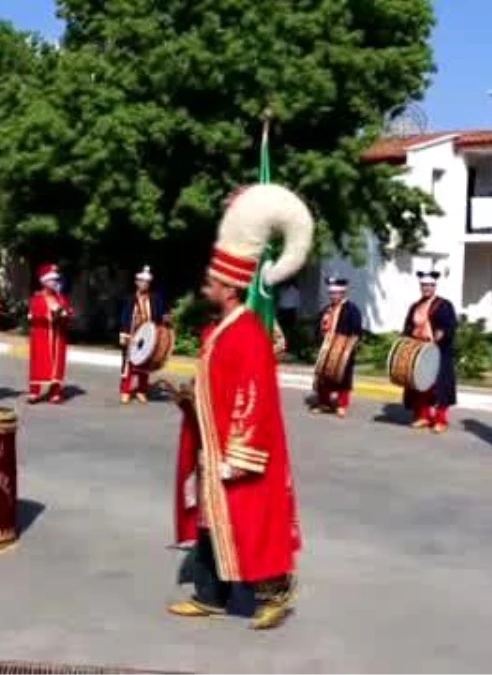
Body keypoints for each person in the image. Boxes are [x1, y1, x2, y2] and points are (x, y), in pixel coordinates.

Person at [169, 183, 310, 630]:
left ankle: (275, 596)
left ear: (229, 288)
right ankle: (210, 595)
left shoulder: (247, 333)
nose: (204, 286)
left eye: (210, 282)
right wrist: (191, 399)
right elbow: (223, 389)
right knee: (214, 523)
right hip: (216, 448)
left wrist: (238, 454)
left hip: (240, 453)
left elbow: (253, 397)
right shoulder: (223, 329)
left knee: (254, 522)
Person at [402, 270, 458, 433]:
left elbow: (450, 325)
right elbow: (408, 326)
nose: (426, 288)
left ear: (434, 287)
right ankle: (423, 416)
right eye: (424, 285)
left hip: (438, 351)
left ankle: (440, 419)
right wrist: (406, 338)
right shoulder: (415, 306)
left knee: (439, 387)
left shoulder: (443, 305)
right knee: (421, 385)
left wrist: (441, 334)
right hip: (419, 350)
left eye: (429, 285)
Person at [310, 276, 362, 417]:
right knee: (323, 377)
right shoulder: (327, 309)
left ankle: (341, 405)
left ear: (343, 293)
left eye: (335, 293)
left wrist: (348, 347)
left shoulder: (352, 309)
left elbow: (356, 330)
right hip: (327, 348)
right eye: (331, 293)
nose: (332, 296)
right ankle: (324, 402)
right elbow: (317, 326)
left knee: (343, 377)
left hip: (343, 349)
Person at [118, 265, 168, 404]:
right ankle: (126, 391)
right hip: (133, 334)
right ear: (136, 282)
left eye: (146, 282)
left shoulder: (155, 298)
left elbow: (159, 315)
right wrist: (124, 334)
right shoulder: (130, 298)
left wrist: (165, 318)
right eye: (141, 281)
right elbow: (124, 317)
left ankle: (141, 391)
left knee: (144, 366)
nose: (144, 284)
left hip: (148, 336)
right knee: (129, 364)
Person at [28, 263, 74, 404]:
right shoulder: (37, 298)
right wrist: (50, 313)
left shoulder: (61, 298)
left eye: (55, 280)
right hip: (42, 335)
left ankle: (56, 392)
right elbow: (33, 315)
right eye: (51, 280)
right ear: (44, 281)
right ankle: (34, 392)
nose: (54, 282)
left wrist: (65, 314)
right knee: (39, 362)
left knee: (57, 364)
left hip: (58, 336)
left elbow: (69, 312)